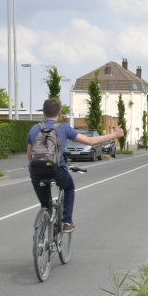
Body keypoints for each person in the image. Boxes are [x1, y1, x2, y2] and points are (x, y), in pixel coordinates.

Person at [27, 98, 124, 232]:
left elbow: (28, 156)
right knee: (69, 187)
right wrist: (114, 134)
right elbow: (90, 141)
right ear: (59, 113)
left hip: (36, 172)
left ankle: (44, 226)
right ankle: (67, 222)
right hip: (57, 170)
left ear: (43, 113)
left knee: (45, 204)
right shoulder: (64, 128)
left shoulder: (34, 128)